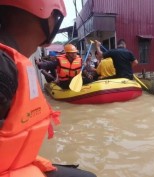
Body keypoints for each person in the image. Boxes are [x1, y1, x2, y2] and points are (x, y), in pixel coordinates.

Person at [0, 1, 96, 177]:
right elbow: (50, 63)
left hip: (72, 83)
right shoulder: (4, 67)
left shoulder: (76, 61)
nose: (74, 55)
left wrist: (89, 73)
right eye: (72, 53)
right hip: (62, 84)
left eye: (75, 53)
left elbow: (83, 69)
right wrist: (42, 65)